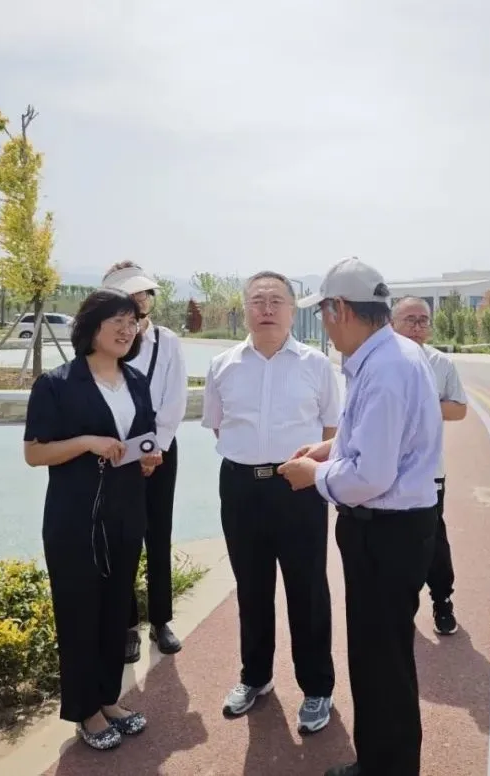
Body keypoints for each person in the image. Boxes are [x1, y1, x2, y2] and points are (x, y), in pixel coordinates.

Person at [279, 257, 443, 776]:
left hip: (385, 532)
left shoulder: (386, 368)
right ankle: (380, 762)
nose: (324, 326)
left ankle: (386, 768)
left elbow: (371, 474)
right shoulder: (390, 356)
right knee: (380, 659)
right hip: (391, 530)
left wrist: (313, 475)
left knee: (381, 662)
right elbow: (376, 439)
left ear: (341, 309)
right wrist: (330, 448)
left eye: (324, 314)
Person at [23, 289, 163, 751]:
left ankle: (108, 698)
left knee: (114, 610)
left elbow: (139, 438)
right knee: (80, 612)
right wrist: (87, 442)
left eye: (132, 322)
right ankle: (85, 710)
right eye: (116, 321)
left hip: (126, 513)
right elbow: (34, 453)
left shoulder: (136, 381)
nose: (127, 330)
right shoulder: (57, 384)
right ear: (91, 327)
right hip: (75, 519)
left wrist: (147, 458)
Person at [201, 270, 341, 734]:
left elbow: (331, 429)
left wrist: (303, 466)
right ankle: (255, 677)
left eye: (276, 300)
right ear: (244, 309)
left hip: (297, 488)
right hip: (240, 488)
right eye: (257, 300)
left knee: (308, 589)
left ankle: (317, 687)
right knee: (251, 586)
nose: (266, 308)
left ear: (292, 310)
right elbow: (219, 426)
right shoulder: (223, 365)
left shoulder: (316, 365)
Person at [102, 261, 188, 660]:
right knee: (122, 538)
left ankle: (161, 620)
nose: (139, 298)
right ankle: (127, 625)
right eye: (130, 292)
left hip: (160, 448)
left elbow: (175, 398)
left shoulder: (167, 341)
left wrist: (157, 448)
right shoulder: (105, 340)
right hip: (116, 451)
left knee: (158, 533)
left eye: (144, 292)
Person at [392, 296, 468, 636]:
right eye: (410, 319)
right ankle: (399, 606)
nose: (417, 326)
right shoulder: (378, 361)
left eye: (423, 320)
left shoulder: (441, 363)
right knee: (390, 543)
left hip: (428, 471)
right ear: (392, 323)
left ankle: (442, 600)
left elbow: (459, 409)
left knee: (432, 540)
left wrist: (421, 406)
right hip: (385, 471)